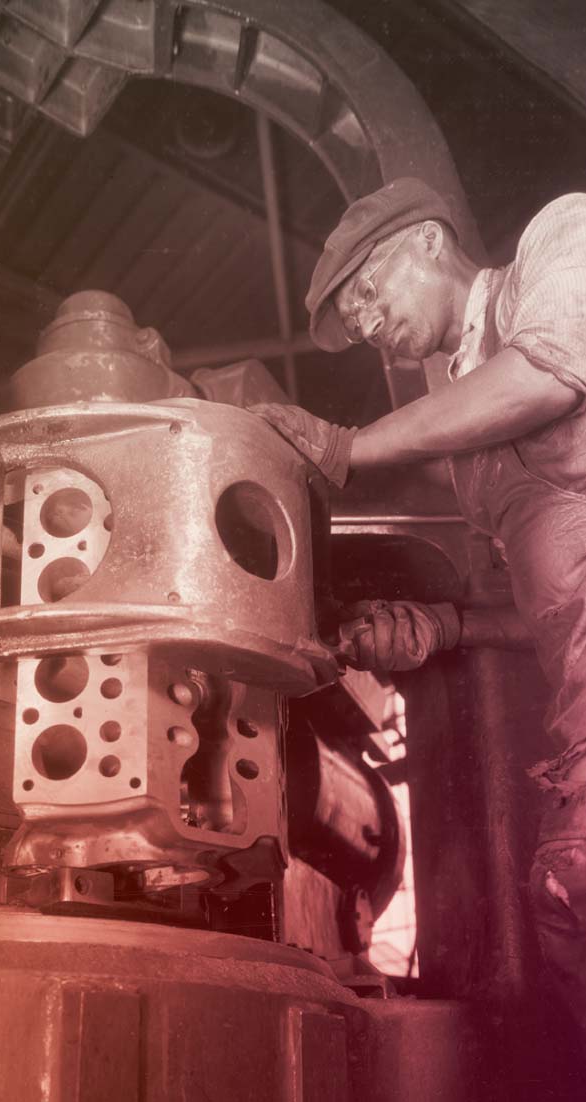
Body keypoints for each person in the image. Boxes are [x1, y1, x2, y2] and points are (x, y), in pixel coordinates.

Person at [250, 177, 586, 1033]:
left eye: (366, 289)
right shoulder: (476, 469)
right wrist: (447, 626)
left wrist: (347, 448)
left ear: (429, 241)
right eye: (354, 319)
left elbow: (550, 373)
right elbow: (554, 613)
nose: (366, 324)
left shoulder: (559, 239)